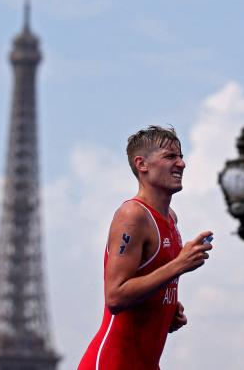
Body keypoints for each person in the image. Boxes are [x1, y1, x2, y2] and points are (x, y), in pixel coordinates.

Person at [78, 125, 213, 370]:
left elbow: (147, 281)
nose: (181, 164)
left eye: (181, 156)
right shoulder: (132, 215)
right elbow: (115, 296)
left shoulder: (171, 218)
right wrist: (179, 265)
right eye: (170, 156)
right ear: (142, 164)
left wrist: (167, 308)